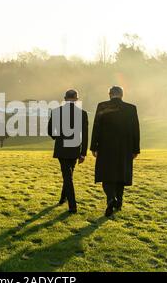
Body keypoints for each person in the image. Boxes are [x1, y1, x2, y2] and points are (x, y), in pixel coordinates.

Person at [90, 86, 140, 217]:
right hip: (125, 148)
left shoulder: (102, 106)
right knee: (121, 174)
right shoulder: (131, 108)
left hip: (106, 147)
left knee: (107, 175)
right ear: (122, 95)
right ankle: (119, 201)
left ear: (110, 94)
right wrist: (136, 149)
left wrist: (93, 147)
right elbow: (136, 130)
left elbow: (97, 127)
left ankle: (111, 199)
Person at [48, 89, 89, 214]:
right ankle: (65, 200)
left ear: (65, 98)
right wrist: (83, 153)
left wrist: (57, 138)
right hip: (75, 148)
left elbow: (50, 130)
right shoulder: (82, 113)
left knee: (67, 176)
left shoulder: (56, 112)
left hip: (62, 148)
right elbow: (85, 135)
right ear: (76, 99)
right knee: (68, 175)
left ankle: (71, 205)